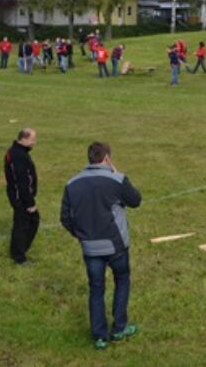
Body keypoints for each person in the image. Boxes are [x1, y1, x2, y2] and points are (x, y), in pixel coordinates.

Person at [60, 141, 142, 350]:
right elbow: (135, 200)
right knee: (122, 281)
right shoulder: (117, 179)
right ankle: (118, 328)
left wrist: (80, 236)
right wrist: (117, 172)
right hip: (116, 247)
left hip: (90, 248)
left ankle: (99, 336)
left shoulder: (71, 184)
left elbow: (65, 218)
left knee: (96, 289)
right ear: (107, 158)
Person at [4, 128, 39, 264]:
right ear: (23, 139)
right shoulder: (18, 155)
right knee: (23, 224)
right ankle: (19, 256)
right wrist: (30, 203)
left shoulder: (19, 152)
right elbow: (22, 182)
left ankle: (20, 250)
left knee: (30, 221)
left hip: (21, 196)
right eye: (32, 140)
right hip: (21, 198)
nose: (34, 142)